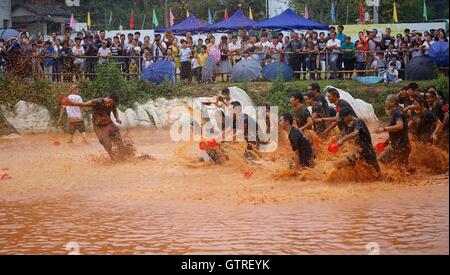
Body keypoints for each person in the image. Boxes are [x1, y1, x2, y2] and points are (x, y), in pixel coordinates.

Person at [66, 94, 130, 161]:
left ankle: (124, 158)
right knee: (107, 145)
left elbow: (115, 110)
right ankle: (114, 159)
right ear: (108, 98)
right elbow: (84, 104)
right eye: (109, 102)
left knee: (119, 141)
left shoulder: (112, 104)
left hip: (109, 124)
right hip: (98, 127)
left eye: (111, 103)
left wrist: (117, 118)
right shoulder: (97, 102)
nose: (109, 105)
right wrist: (71, 103)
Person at [335, 107, 381, 174]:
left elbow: (356, 132)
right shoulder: (349, 125)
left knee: (378, 174)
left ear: (348, 115)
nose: (342, 120)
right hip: (359, 154)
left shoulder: (358, 121)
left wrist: (342, 140)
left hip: (367, 153)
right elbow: (343, 134)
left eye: (343, 118)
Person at [375, 95, 411, 169]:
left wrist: (384, 129)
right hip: (397, 146)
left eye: (386, 100)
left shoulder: (398, 112)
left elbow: (400, 126)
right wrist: (388, 140)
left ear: (392, 102)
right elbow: (397, 131)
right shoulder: (396, 111)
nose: (385, 102)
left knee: (399, 170)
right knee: (382, 162)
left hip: (401, 146)